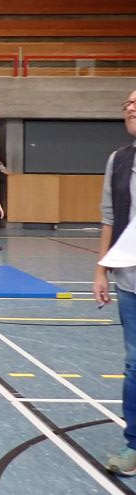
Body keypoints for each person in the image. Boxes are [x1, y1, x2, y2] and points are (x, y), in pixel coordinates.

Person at [93, 87, 136, 475]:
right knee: (134, 363)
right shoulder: (118, 160)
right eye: (128, 103)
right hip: (130, 281)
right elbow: (109, 216)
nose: (130, 107)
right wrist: (101, 269)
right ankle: (133, 445)